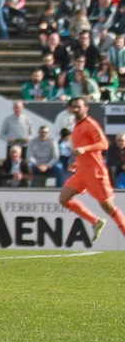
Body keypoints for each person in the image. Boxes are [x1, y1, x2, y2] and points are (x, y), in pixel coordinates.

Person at [58, 97, 125, 241]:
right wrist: (77, 162)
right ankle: (96, 221)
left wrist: (85, 149)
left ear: (86, 108)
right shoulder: (76, 126)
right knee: (64, 198)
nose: (76, 109)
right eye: (74, 107)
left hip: (95, 173)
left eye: (79, 106)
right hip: (82, 172)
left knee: (109, 208)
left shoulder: (90, 124)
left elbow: (104, 144)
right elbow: (83, 151)